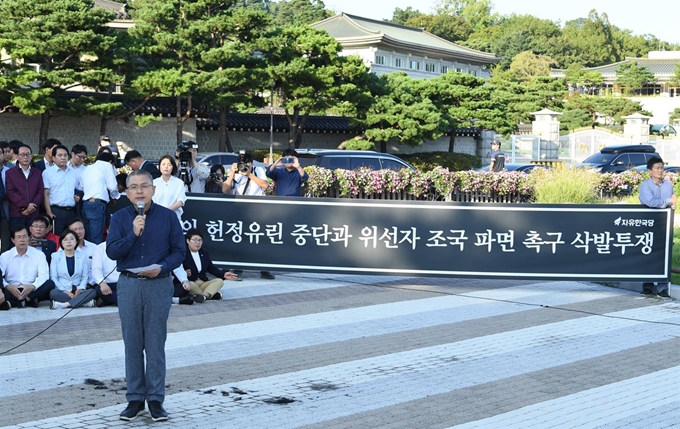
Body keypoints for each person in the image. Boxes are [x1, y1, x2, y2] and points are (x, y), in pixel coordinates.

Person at [106, 169, 185, 422]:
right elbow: (112, 252)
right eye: (134, 187)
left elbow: (179, 252)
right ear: (127, 192)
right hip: (129, 285)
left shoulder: (168, 217)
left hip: (159, 284)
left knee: (154, 343)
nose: (139, 191)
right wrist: (134, 233)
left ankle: (155, 399)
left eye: (144, 186)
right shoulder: (119, 218)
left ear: (153, 189)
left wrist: (162, 268)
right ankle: (135, 398)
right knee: (132, 343)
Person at [223, 151, 275, 280]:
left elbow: (265, 185)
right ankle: (238, 268)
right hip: (241, 210)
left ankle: (264, 269)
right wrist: (232, 173)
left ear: (251, 163)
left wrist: (249, 173)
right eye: (242, 163)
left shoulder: (258, 170)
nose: (244, 165)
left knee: (261, 240)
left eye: (247, 162)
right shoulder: (236, 173)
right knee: (241, 239)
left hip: (259, 210)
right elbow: (224, 190)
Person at [639, 155, 676, 297]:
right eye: (657, 168)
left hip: (664, 224)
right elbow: (650, 202)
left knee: (664, 254)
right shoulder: (645, 186)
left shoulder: (668, 185)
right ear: (650, 170)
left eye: (662, 168)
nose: (660, 171)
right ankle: (647, 286)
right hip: (647, 224)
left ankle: (662, 289)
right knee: (647, 254)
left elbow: (671, 204)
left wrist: (671, 203)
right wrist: (667, 200)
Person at [0, 225, 56, 308]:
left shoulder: (39, 254)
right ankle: (28, 301)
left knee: (50, 284)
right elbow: (0, 276)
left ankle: (22, 301)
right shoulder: (5, 256)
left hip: (32, 289)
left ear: (29, 238)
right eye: (18, 237)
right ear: (13, 240)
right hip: (12, 289)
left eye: (24, 236)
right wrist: (9, 287)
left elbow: (44, 275)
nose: (22, 240)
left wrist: (32, 286)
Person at [177, 228, 239, 301]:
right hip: (190, 282)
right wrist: (185, 273)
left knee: (219, 281)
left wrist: (223, 274)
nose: (197, 242)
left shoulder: (204, 253)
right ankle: (211, 294)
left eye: (200, 240)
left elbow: (211, 268)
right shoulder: (182, 253)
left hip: (203, 282)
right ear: (188, 241)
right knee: (190, 285)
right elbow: (174, 270)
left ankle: (203, 296)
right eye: (195, 240)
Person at [49, 229, 95, 309]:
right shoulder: (55, 256)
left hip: (78, 290)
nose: (69, 242)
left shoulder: (83, 256)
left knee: (92, 292)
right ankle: (82, 303)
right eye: (65, 239)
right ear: (61, 243)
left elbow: (85, 276)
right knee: (53, 293)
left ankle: (65, 304)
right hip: (62, 291)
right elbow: (53, 277)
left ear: (76, 241)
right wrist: (65, 291)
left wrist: (80, 289)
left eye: (71, 239)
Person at [80, 151, 120, 244]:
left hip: (86, 204)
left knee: (87, 238)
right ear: (110, 161)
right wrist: (115, 197)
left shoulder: (87, 168)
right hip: (97, 204)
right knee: (96, 238)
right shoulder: (107, 165)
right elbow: (112, 186)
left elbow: (82, 187)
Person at [5, 143, 44, 230]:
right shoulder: (10, 172)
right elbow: (10, 192)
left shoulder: (37, 173)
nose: (25, 157)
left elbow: (40, 191)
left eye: (28, 154)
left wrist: (32, 206)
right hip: (17, 213)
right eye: (22, 155)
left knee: (33, 240)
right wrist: (26, 205)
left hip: (33, 213)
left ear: (31, 156)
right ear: (17, 156)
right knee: (17, 239)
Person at [43, 144, 78, 234]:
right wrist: (49, 212)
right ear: (53, 158)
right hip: (56, 211)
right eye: (59, 155)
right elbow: (45, 194)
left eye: (65, 155)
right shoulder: (47, 173)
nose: (63, 158)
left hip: (72, 211)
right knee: (57, 239)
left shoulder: (73, 172)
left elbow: (77, 189)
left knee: (72, 238)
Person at [152, 155, 186, 223]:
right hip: (157, 217)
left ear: (173, 167)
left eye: (169, 165)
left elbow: (181, 201)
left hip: (174, 218)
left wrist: (166, 212)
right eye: (163, 164)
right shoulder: (153, 182)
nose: (166, 167)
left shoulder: (179, 183)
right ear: (159, 167)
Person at [92, 241, 118, 307]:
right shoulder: (99, 248)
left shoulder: (128, 244)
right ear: (108, 232)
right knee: (98, 289)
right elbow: (96, 269)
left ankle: (109, 301)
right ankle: (125, 302)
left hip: (125, 282)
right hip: (108, 284)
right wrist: (102, 283)